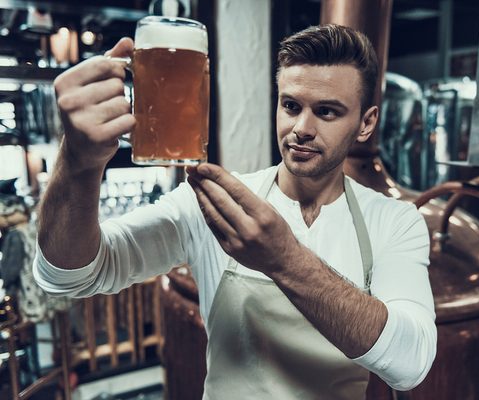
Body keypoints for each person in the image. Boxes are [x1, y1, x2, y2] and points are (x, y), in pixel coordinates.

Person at [34, 24, 436, 399]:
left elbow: (410, 364)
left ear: (366, 123)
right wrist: (78, 161)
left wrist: (283, 259)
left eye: (327, 111)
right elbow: (69, 275)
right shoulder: (216, 202)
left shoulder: (394, 221)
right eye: (291, 105)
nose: (301, 128)